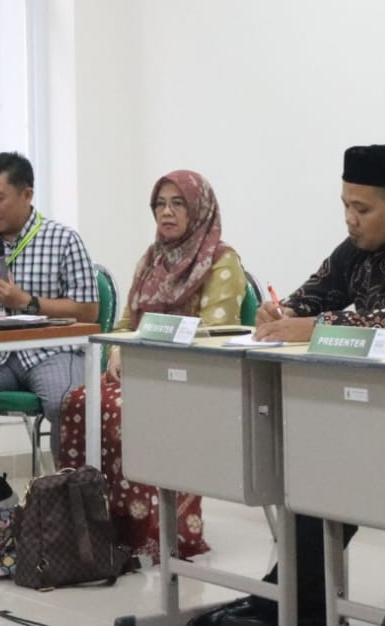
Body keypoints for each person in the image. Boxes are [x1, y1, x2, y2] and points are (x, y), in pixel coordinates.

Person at [190, 144, 385, 626]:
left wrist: (319, 326)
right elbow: (311, 295)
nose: (349, 219)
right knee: (317, 471)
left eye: (360, 208)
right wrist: (282, 314)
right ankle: (292, 604)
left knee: (331, 468)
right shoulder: (357, 248)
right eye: (345, 205)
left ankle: (283, 603)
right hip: (375, 408)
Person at [59, 170, 247, 561]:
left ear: (199, 209)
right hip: (144, 371)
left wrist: (151, 356)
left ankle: (160, 531)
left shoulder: (222, 262)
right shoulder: (152, 258)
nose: (167, 212)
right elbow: (128, 322)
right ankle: (99, 527)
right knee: (80, 400)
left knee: (129, 412)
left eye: (178, 203)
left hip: (194, 376)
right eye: (160, 204)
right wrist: (116, 352)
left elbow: (216, 332)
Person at [0, 152, 99, 537]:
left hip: (51, 352)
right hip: (0, 357)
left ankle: (70, 499)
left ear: (27, 194)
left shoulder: (63, 239)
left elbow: (88, 310)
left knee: (63, 401)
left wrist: (29, 302)